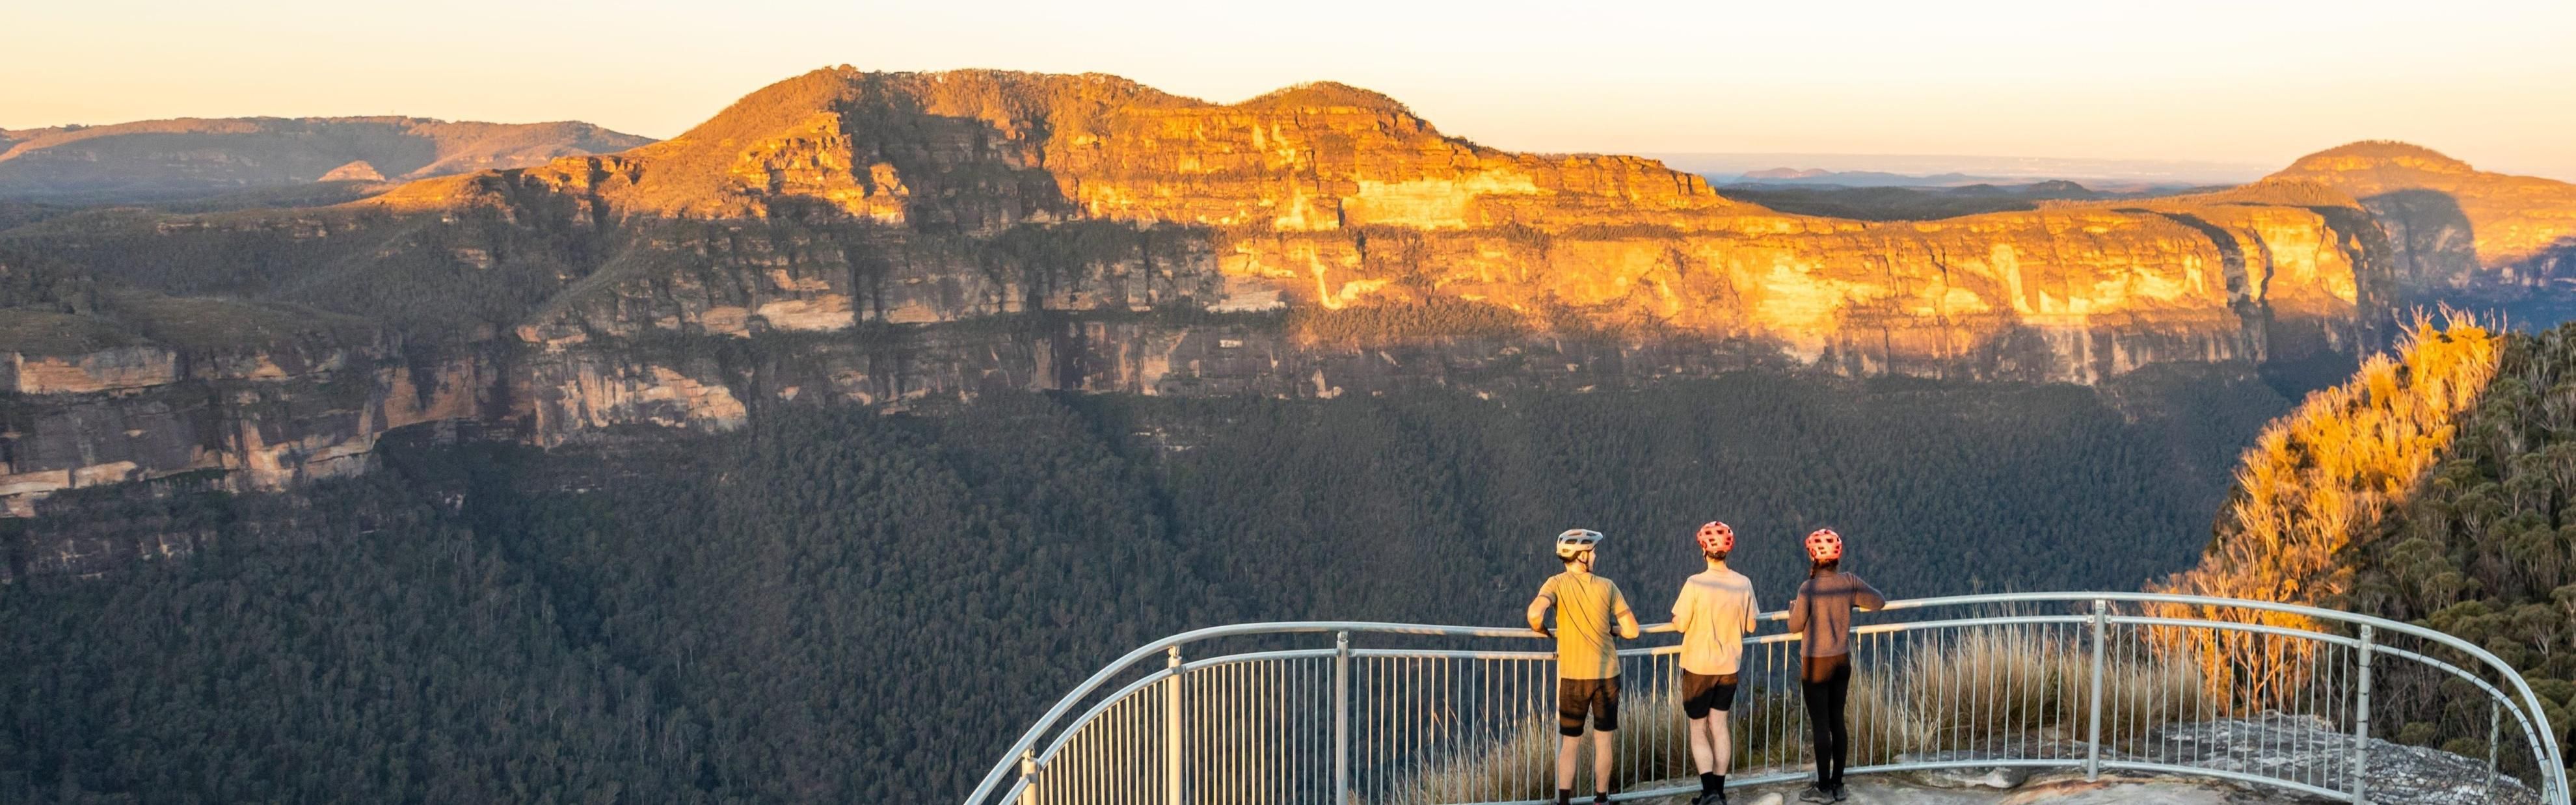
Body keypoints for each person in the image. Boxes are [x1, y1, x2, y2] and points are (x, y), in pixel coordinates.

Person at [1527, 527, 1641, 805]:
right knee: (1604, 742)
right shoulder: (1607, 586)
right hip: (1607, 675)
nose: (1595, 556)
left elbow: (1534, 613)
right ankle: (1601, 799)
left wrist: (1542, 629)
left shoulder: (1555, 584)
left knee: (1570, 743)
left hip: (1574, 676)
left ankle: (1564, 801)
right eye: (1593, 552)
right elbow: (1632, 631)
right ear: (1582, 556)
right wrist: (1613, 629)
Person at [1786, 528, 1884, 804]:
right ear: (1837, 557)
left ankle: (1823, 788)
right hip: (1842, 660)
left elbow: (1794, 626)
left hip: (1816, 664)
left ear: (1813, 557)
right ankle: (1839, 785)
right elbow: (1878, 601)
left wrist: (1792, 609)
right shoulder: (1849, 582)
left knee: (1821, 725)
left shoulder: (1809, 589)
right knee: (1838, 721)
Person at [1670, 521, 1760, 805]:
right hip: (1729, 667)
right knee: (1720, 726)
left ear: (1704, 550)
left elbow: (1680, 624)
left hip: (1698, 667)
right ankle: (1719, 793)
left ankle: (1708, 792)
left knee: (1698, 728)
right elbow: (1752, 625)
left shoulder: (1695, 584)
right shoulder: (1743, 583)